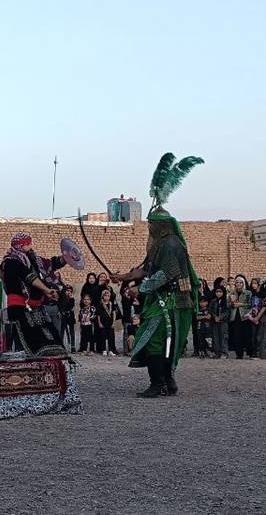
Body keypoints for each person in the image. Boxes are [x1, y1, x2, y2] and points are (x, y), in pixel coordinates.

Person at [112, 153, 203, 397]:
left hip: (171, 301)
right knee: (162, 342)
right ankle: (167, 382)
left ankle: (158, 383)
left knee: (154, 339)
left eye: (152, 224)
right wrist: (123, 278)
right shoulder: (159, 246)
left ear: (160, 226)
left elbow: (166, 274)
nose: (149, 228)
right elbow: (147, 269)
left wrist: (139, 289)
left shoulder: (170, 244)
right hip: (162, 299)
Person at [0, 232, 69, 356]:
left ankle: (51, 361)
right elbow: (28, 277)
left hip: (37, 306)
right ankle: (26, 364)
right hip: (20, 306)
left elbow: (50, 264)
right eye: (28, 244)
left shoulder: (33, 259)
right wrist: (47, 290)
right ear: (21, 245)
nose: (31, 246)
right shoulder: (11, 261)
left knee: (50, 336)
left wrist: (65, 258)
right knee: (27, 339)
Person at [228, 276, 253, 359]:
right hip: (235, 317)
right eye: (237, 282)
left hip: (245, 316)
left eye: (240, 282)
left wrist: (241, 304)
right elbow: (227, 304)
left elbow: (251, 304)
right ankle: (239, 354)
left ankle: (250, 353)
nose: (239, 284)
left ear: (243, 283)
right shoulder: (232, 293)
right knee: (237, 336)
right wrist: (232, 304)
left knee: (247, 335)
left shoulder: (248, 293)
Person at [208, 286, 230, 358]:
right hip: (214, 322)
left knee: (224, 337)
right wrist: (215, 317)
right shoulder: (213, 301)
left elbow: (227, 311)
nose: (218, 293)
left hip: (223, 322)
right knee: (215, 337)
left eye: (220, 292)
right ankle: (217, 352)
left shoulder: (226, 301)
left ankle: (224, 352)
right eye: (217, 292)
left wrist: (220, 317)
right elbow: (210, 310)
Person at [120, 283, 142, 356]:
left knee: (135, 334)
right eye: (126, 293)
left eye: (128, 292)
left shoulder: (134, 300)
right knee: (126, 335)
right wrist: (128, 285)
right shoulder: (124, 300)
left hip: (135, 320)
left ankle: (134, 350)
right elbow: (122, 293)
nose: (127, 294)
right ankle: (126, 350)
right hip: (127, 320)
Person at [97, 288, 118, 356]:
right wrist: (99, 323)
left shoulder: (111, 304)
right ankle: (104, 350)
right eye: (105, 295)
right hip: (103, 322)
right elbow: (98, 315)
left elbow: (114, 313)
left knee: (111, 336)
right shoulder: (100, 304)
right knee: (103, 336)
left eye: (108, 296)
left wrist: (114, 322)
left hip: (110, 322)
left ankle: (111, 350)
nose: (106, 297)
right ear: (103, 296)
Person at [59, 286, 76, 352]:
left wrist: (71, 299)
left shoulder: (72, 299)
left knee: (72, 331)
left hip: (70, 316)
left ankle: (73, 347)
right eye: (67, 290)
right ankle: (61, 346)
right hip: (63, 316)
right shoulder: (62, 298)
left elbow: (70, 306)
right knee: (62, 331)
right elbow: (63, 307)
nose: (69, 292)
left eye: (70, 291)